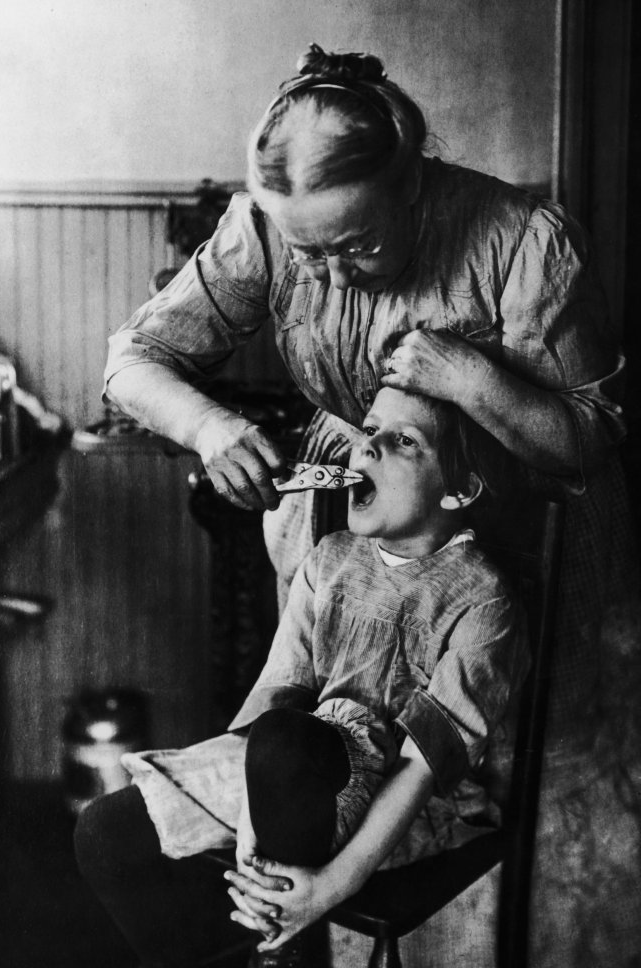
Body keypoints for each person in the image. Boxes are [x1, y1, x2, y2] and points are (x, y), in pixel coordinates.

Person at [99, 43, 640, 968]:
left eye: (360, 245)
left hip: (500, 545)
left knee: (494, 812)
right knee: (309, 769)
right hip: (365, 534)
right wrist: (211, 429)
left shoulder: (518, 240)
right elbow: (131, 363)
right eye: (312, 255)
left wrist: (467, 375)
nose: (336, 276)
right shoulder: (264, 228)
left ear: (412, 181)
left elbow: (593, 436)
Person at [76, 386, 529, 965]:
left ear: (460, 488)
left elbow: (420, 771)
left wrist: (329, 889)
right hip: (295, 777)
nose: (368, 447)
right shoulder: (329, 560)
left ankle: (288, 949)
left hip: (411, 806)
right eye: (370, 430)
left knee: (286, 744)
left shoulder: (482, 598)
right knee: (104, 832)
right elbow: (273, 696)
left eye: (404, 440)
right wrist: (245, 820)